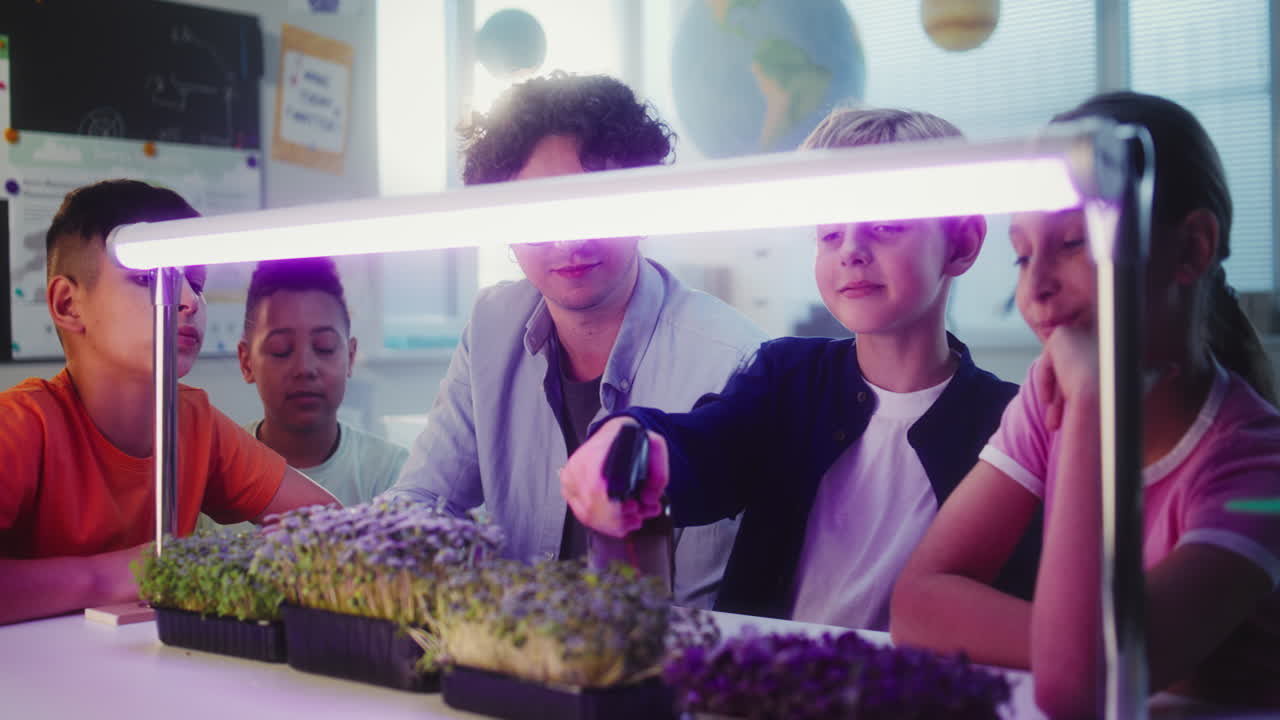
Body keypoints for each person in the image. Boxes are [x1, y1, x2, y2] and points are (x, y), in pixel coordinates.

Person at [560, 107, 1040, 630]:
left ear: (962, 243)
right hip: (768, 675)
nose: (851, 250)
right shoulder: (786, 377)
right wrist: (632, 436)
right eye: (830, 233)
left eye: (885, 225)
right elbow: (706, 448)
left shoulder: (1013, 423)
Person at [890, 92, 1280, 714]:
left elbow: (1078, 689)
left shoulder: (1258, 467)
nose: (1035, 286)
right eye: (1022, 255)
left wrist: (1094, 405)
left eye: (1074, 243)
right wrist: (1073, 647)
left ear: (1191, 249)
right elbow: (916, 603)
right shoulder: (1050, 398)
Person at [385, 72, 767, 608]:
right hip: (505, 645)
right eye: (541, 213)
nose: (569, 240)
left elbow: (700, 606)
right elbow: (425, 496)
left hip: (651, 655)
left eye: (594, 206)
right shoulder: (491, 325)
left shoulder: (730, 360)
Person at [0, 180, 339, 625]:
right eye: (149, 277)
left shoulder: (197, 423)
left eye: (196, 284)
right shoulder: (21, 426)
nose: (187, 302)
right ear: (68, 304)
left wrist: (232, 559)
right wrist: (125, 573)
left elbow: (329, 524)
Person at [200, 257, 408, 534]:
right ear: (246, 361)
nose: (305, 368)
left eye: (324, 347)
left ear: (350, 356)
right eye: (281, 349)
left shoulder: (396, 476)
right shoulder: (210, 476)